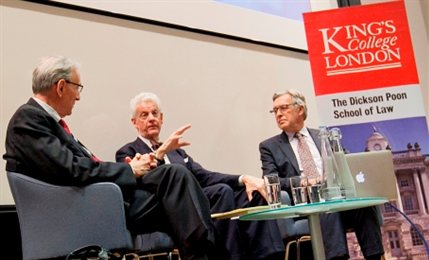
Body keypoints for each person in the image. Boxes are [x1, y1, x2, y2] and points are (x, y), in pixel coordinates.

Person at [3, 55, 223, 260]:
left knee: (174, 178)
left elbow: (79, 165)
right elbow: (72, 169)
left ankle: (200, 253)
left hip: (97, 199)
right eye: (77, 88)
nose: (78, 96)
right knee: (174, 177)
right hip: (85, 209)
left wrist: (132, 166)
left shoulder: (45, 121)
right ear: (61, 87)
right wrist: (129, 171)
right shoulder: (30, 118)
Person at [115, 92, 285, 260]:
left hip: (196, 202)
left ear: (162, 118)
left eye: (155, 113)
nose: (151, 118)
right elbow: (140, 184)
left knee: (249, 193)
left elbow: (203, 176)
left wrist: (243, 178)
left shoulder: (177, 152)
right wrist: (160, 154)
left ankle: (270, 254)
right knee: (222, 192)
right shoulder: (127, 152)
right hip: (166, 210)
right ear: (134, 122)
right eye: (144, 115)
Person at [259, 89, 385, 260]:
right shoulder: (269, 146)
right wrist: (304, 182)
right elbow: (270, 181)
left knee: (364, 205)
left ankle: (376, 256)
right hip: (306, 203)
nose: (278, 114)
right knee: (326, 206)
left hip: (336, 195)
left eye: (283, 108)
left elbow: (345, 162)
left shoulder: (323, 136)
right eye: (275, 110)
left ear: (300, 110)